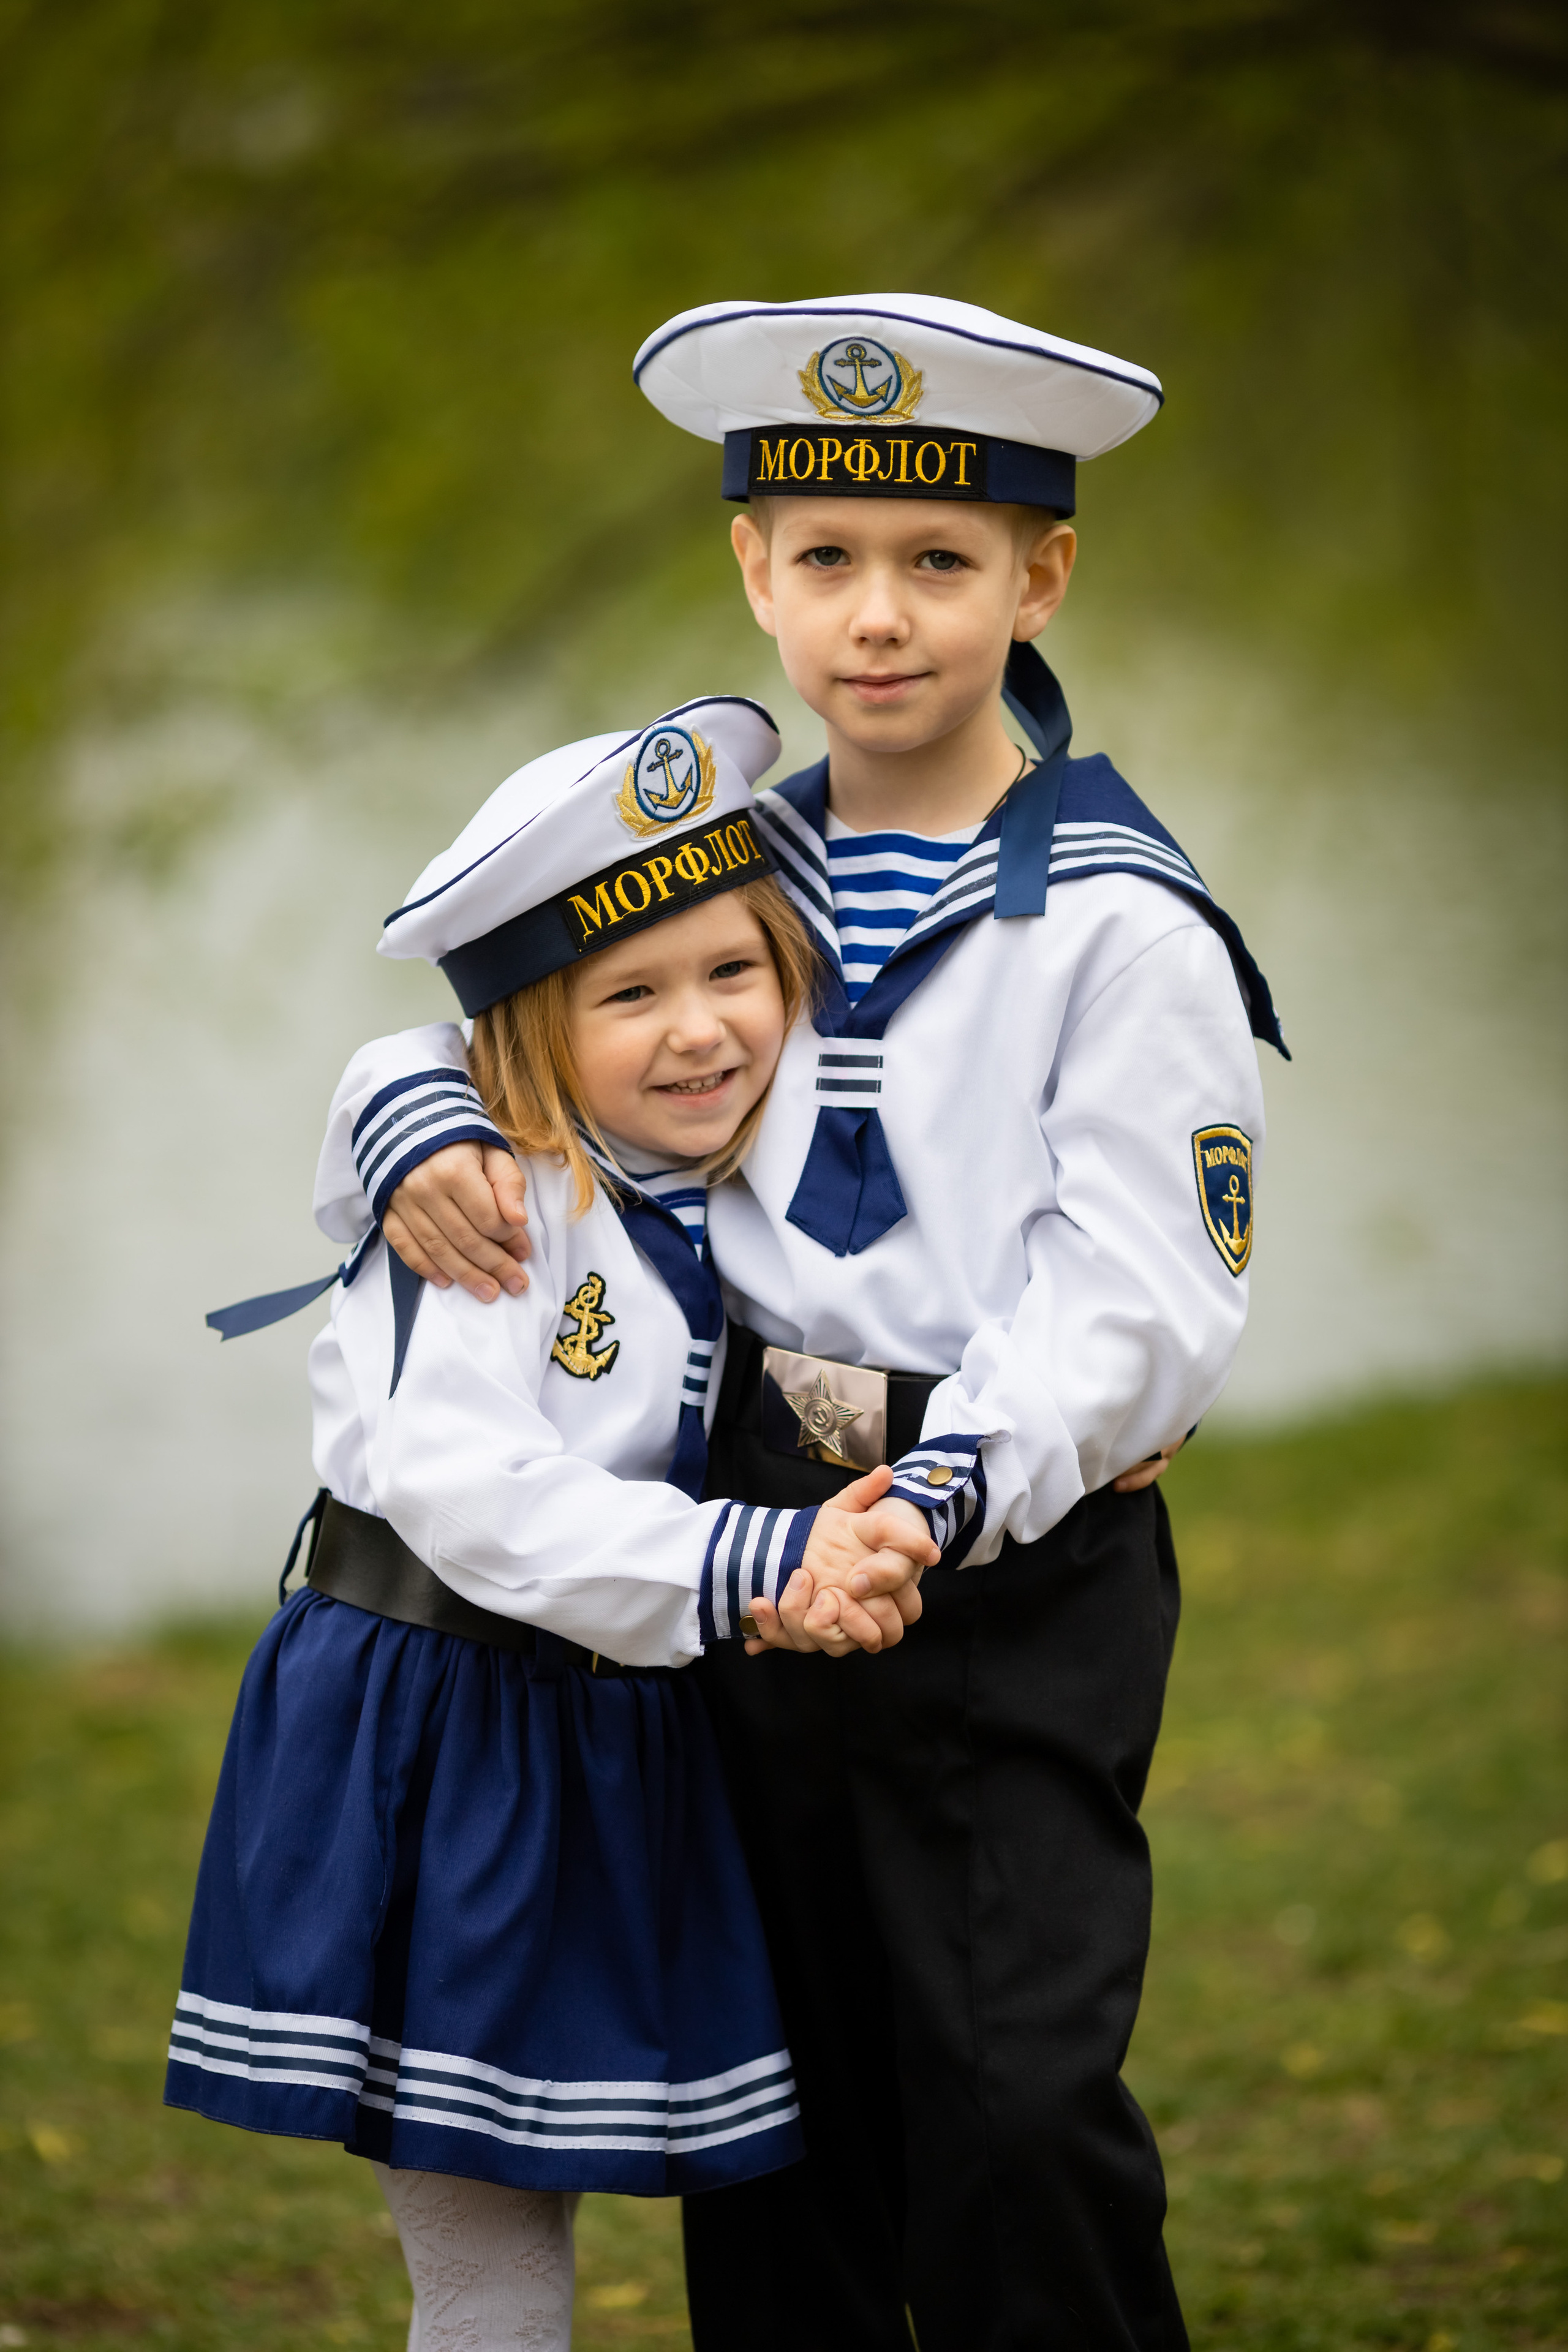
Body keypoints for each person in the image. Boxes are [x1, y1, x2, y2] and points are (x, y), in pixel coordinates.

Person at [300, 296, 1288, 2351]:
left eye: (943, 562)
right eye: (825, 558)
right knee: (785, 2121)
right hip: (751, 1530)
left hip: (1000, 1551)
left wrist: (947, 1485)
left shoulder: (1121, 921)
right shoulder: (729, 858)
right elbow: (521, 997)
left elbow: (1138, 1284)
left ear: (1044, 578)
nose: (881, 617)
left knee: (1014, 2103)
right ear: (753, 572)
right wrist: (397, 1110)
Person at [165, 696, 937, 2352]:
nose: (700, 1033)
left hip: (606, 1729)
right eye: (631, 995)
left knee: (563, 2212)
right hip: (442, 1727)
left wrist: (1010, 1441)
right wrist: (757, 1564)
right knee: (494, 2256)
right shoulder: (493, 1205)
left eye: (736, 973)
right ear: (527, 1033)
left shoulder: (731, 1187)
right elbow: (467, 1490)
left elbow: (785, 1391)